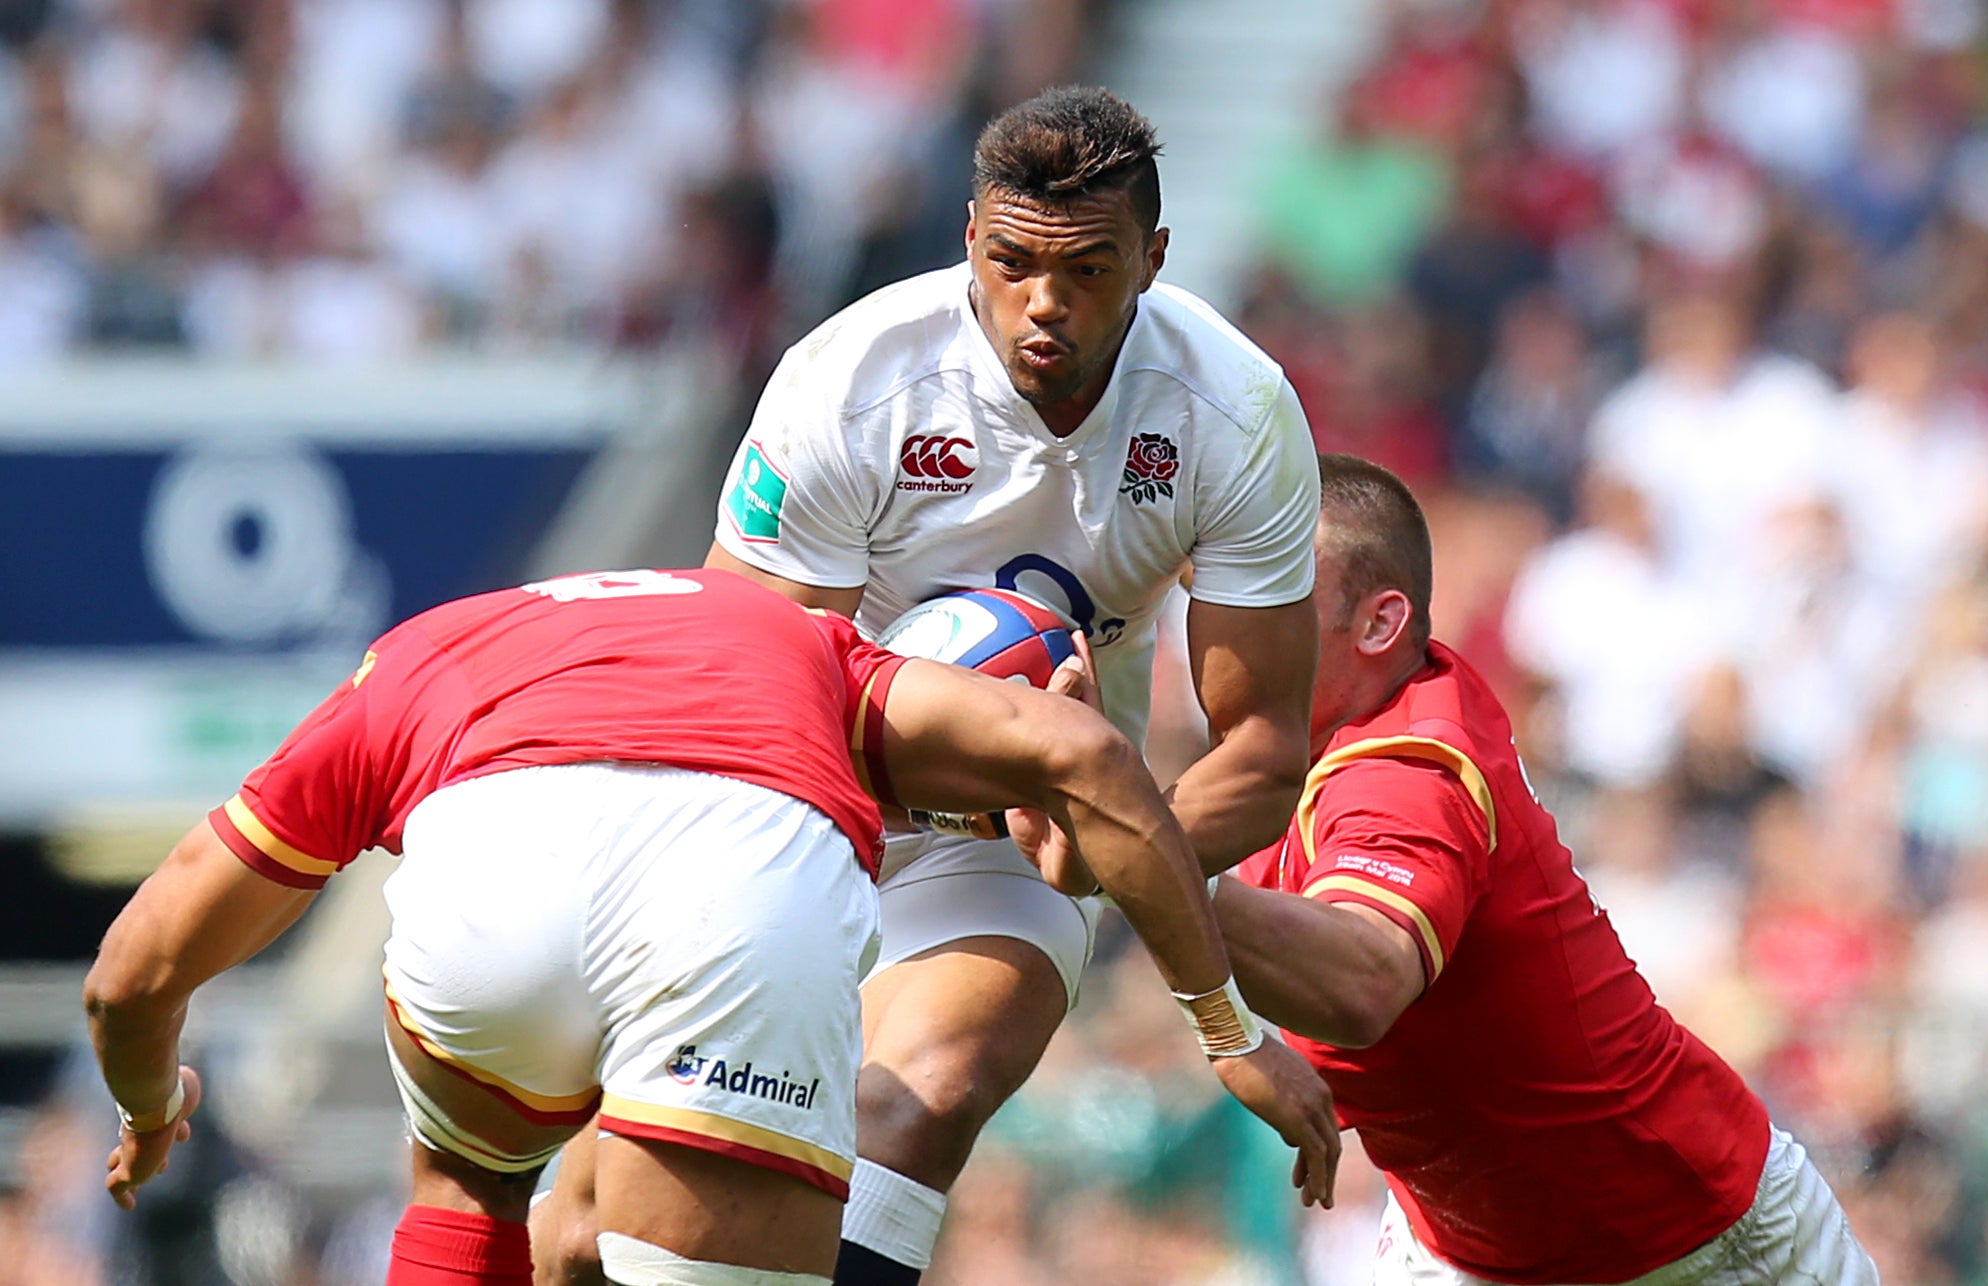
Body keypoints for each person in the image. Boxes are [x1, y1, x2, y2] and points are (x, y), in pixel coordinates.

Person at [534, 85, 1323, 1286]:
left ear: (1154, 258)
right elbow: (737, 685)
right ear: (968, 238)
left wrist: (1107, 848)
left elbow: (1263, 746)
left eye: (1090, 270)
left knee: (924, 1094)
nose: (1044, 303)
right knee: (590, 1234)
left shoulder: (1235, 410)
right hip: (803, 806)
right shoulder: (852, 379)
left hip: (1024, 831)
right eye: (1011, 263)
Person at [83, 567, 1338, 1286]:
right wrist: (1222, 1024)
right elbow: (1077, 750)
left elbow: (130, 973)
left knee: (469, 1182)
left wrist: (149, 1112)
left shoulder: (424, 647)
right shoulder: (837, 665)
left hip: (487, 864)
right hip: (734, 883)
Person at [1201, 455, 1878, 1285]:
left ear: (1378, 626)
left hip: (1692, 1248)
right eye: (1227, 582)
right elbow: (1142, 860)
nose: (1229, 617)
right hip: (1462, 1249)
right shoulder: (1292, 735)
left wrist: (1127, 844)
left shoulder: (1406, 776)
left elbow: (1362, 981)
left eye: (1274, 590)